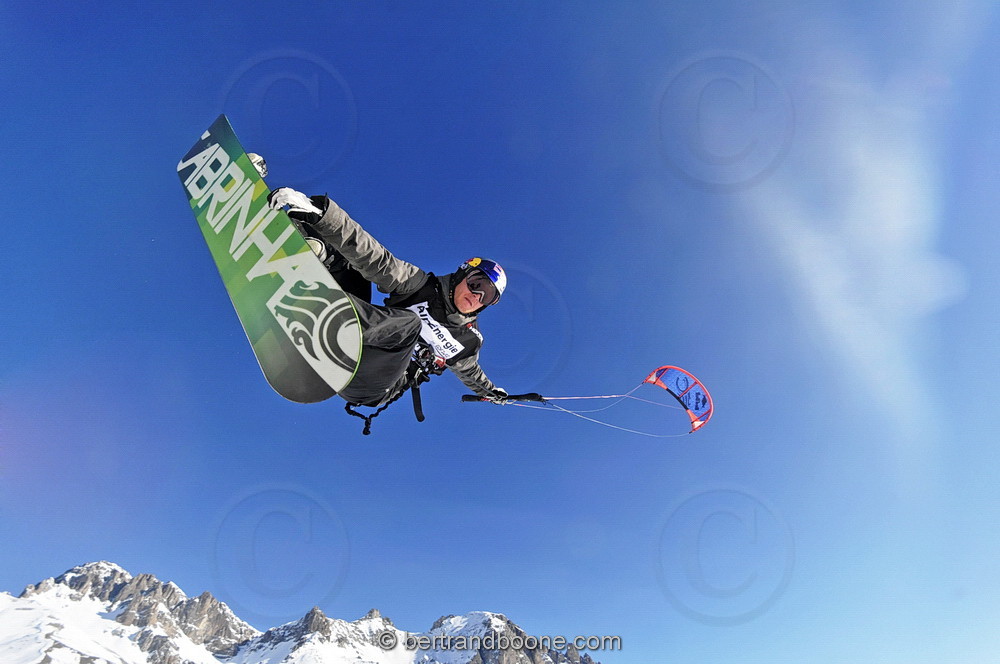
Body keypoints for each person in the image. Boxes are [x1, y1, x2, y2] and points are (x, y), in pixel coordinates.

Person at [266, 185, 511, 428]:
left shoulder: (467, 341)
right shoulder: (419, 286)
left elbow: (472, 374)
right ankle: (289, 233)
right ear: (461, 275)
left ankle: (324, 313)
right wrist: (321, 215)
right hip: (357, 339)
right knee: (353, 263)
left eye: (487, 297)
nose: (477, 296)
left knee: (410, 325)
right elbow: (376, 259)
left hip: (370, 384)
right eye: (476, 284)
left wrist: (491, 392)